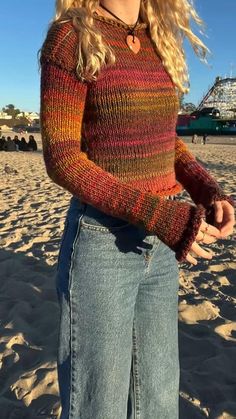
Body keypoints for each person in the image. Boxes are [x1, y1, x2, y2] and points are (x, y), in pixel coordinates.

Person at [39, 1, 235, 418]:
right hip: (101, 243)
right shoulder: (72, 36)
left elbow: (167, 141)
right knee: (100, 403)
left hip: (162, 245)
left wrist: (208, 190)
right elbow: (63, 159)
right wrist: (160, 216)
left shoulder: (157, 38)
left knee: (159, 397)